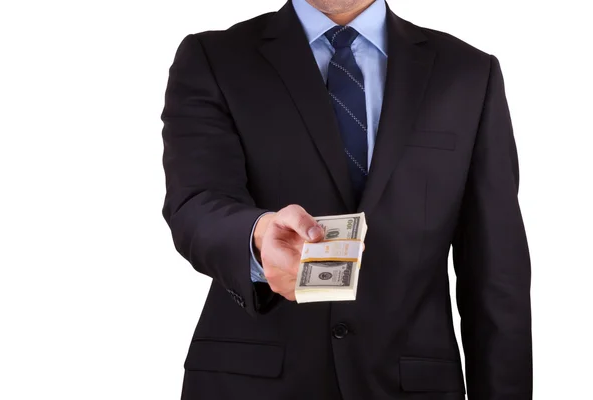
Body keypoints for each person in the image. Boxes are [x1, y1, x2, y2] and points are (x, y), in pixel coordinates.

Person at [160, 0, 532, 398]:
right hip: (252, 382)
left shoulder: (468, 73)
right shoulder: (214, 58)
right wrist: (258, 235)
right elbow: (196, 202)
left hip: (409, 385)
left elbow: (497, 271)